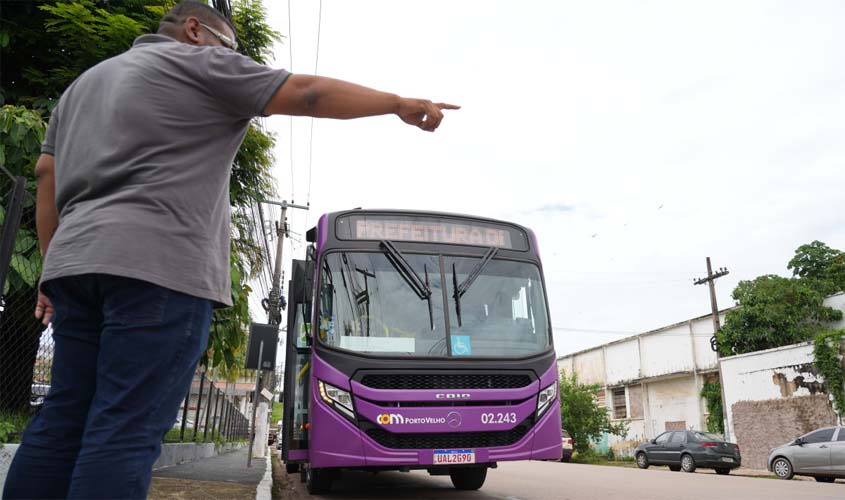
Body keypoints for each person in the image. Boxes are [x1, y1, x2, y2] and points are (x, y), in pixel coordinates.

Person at [2, 1, 458, 499]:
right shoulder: (198, 61)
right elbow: (306, 93)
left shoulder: (81, 88)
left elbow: (47, 178)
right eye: (231, 48)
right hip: (159, 267)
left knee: (62, 419)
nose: (236, 61)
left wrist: (52, 270)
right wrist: (396, 103)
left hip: (75, 266)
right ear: (195, 30)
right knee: (125, 429)